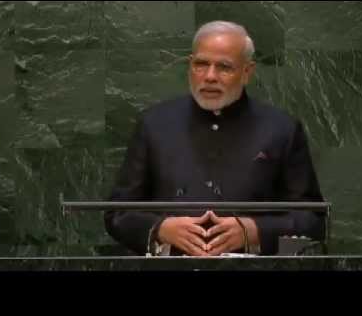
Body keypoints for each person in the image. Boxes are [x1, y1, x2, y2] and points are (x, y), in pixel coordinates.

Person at [104, 21, 325, 256]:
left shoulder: (282, 129)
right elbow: (118, 213)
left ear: (247, 72)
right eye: (201, 64)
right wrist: (161, 229)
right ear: (190, 65)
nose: (210, 76)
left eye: (224, 67)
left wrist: (254, 230)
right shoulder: (154, 124)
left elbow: (313, 219)